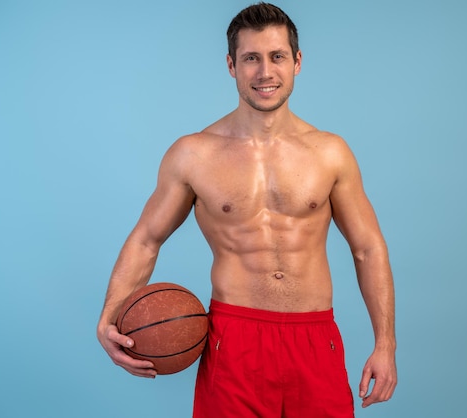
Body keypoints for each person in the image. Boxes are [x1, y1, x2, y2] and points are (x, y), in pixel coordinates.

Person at [97, 3, 397, 417]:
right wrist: (109, 318)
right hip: (232, 340)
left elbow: (368, 248)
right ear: (231, 65)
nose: (265, 72)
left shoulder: (330, 153)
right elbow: (147, 240)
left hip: (314, 338)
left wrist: (385, 345)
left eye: (276, 57)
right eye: (250, 58)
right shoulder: (193, 155)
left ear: (297, 62)